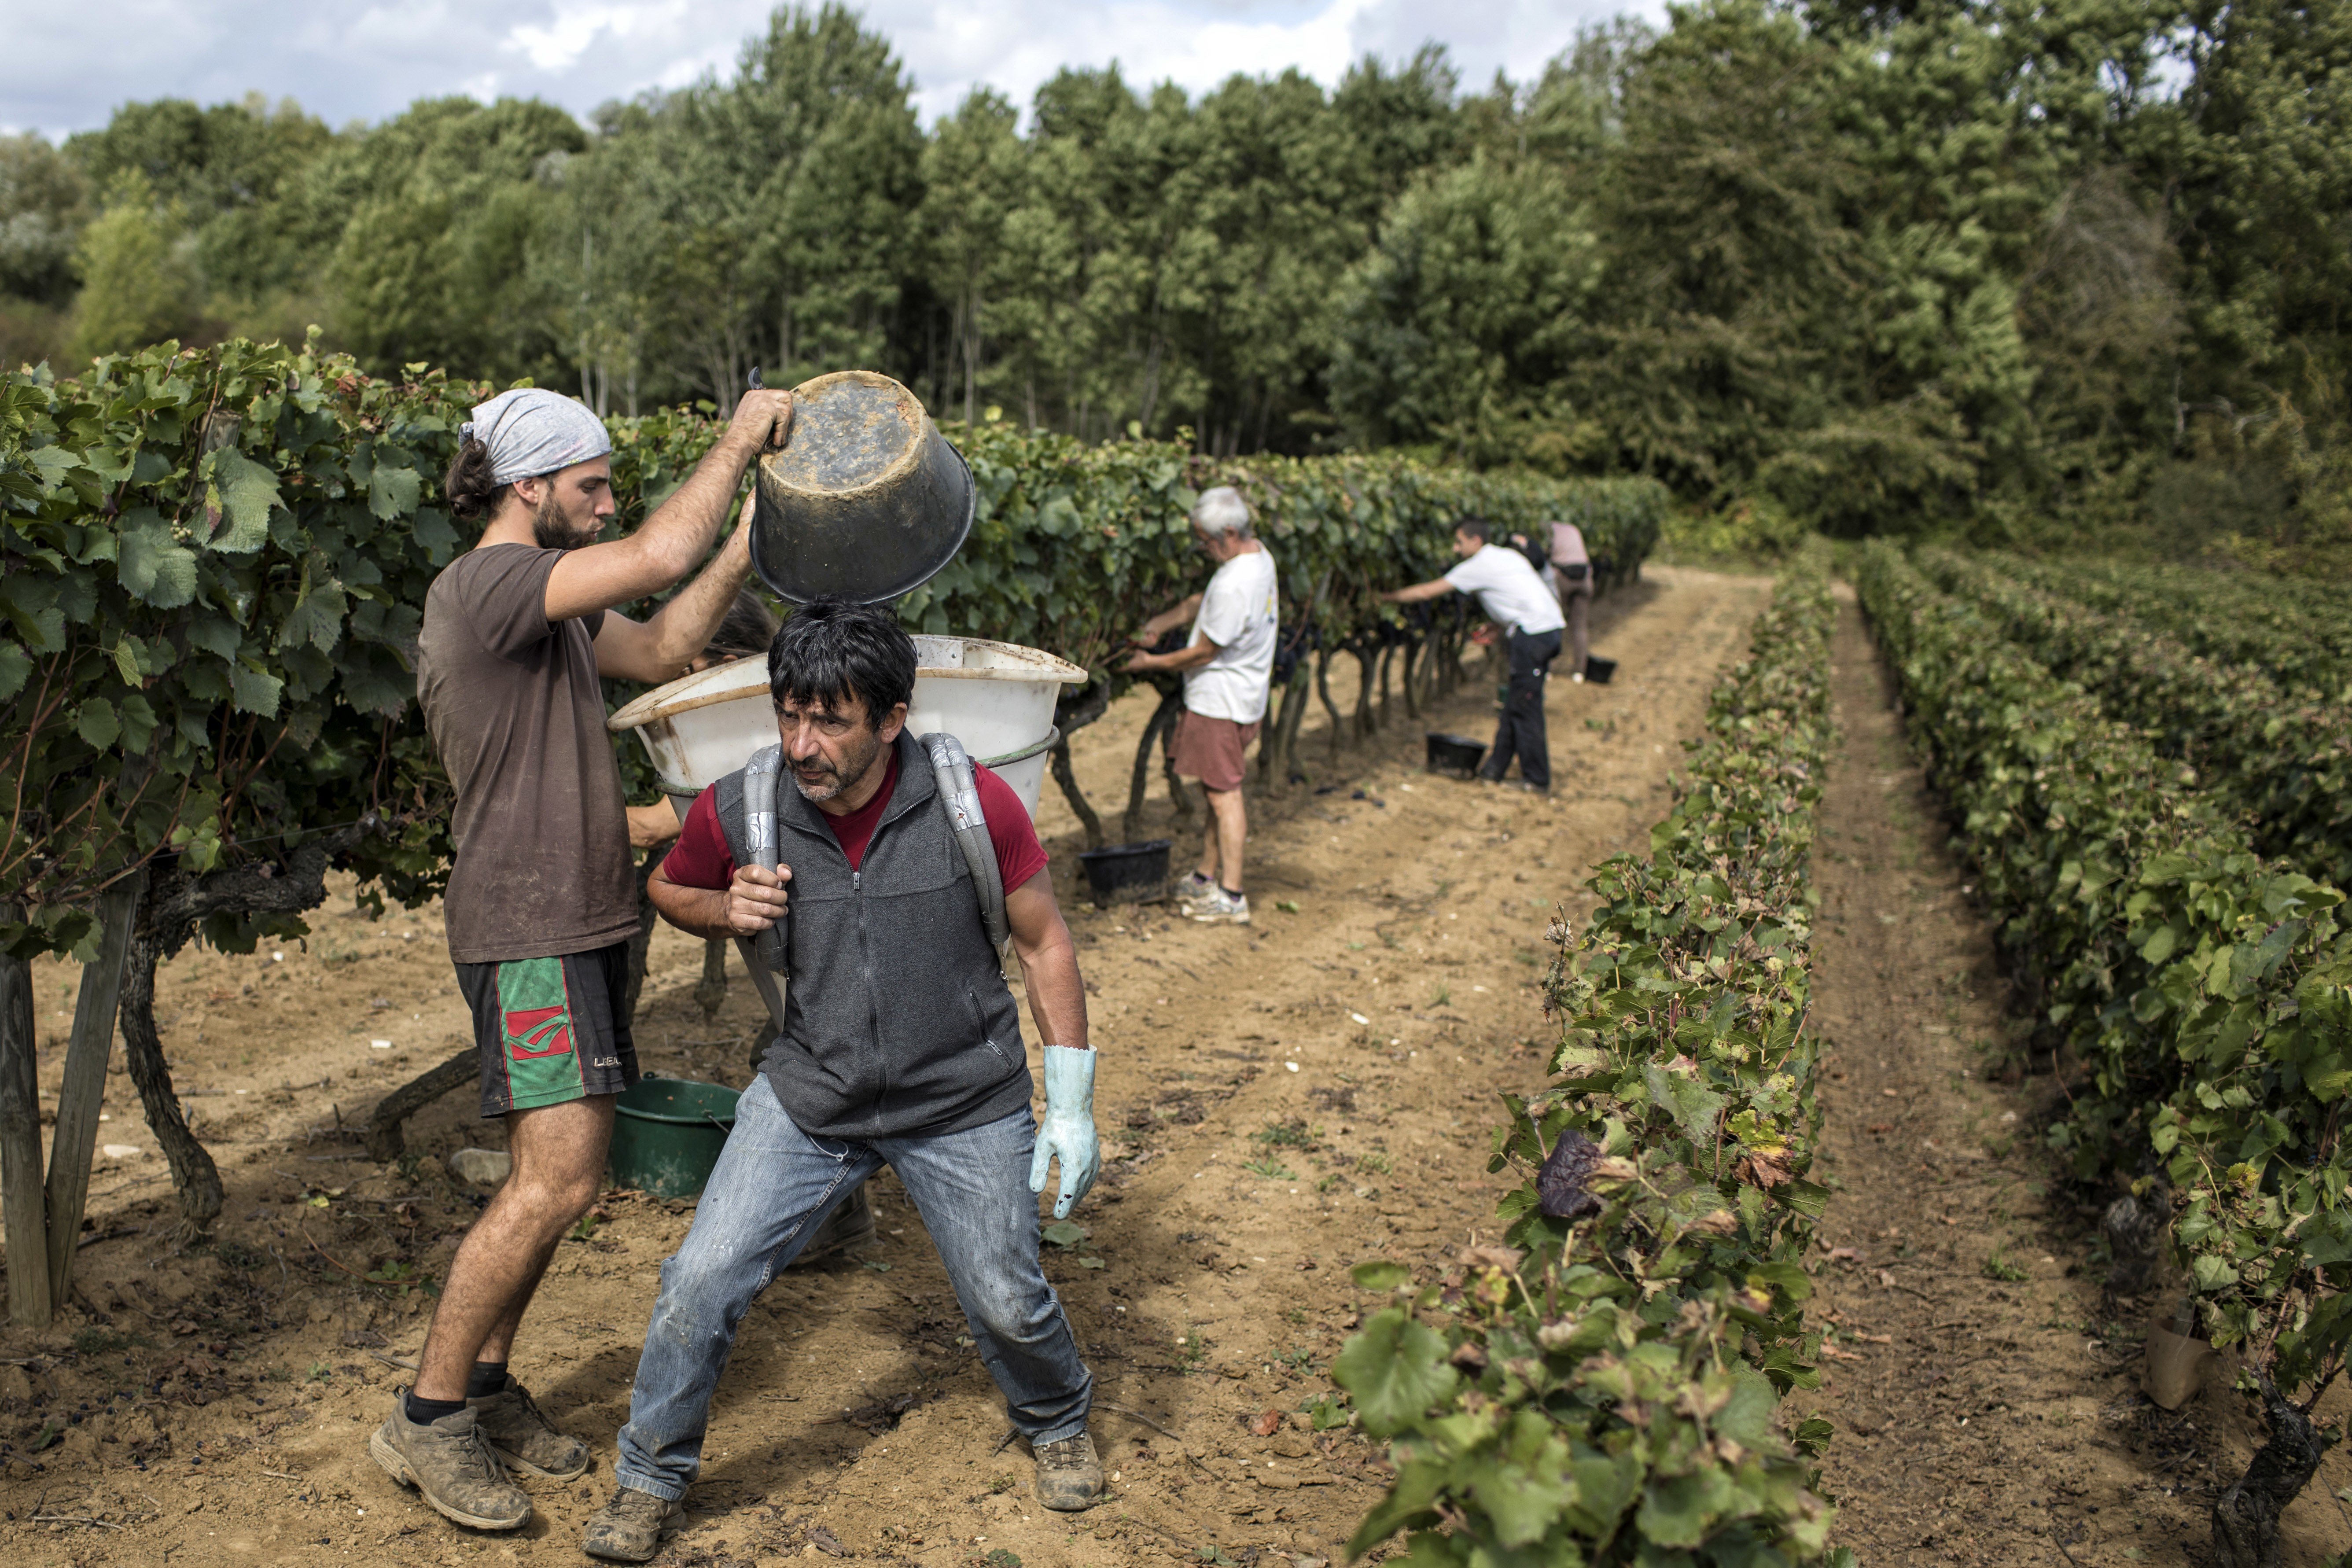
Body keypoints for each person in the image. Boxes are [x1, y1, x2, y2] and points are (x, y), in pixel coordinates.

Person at [581, 598, 1103, 1562]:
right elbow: (669, 884)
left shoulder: (970, 803)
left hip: (960, 1099)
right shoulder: (743, 801)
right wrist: (721, 904)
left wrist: (1068, 1097)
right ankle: (649, 1475)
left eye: (831, 720)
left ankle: (1056, 1412)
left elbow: (1043, 940)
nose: (802, 741)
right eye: (789, 714)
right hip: (812, 1094)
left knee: (1002, 1289)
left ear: (893, 718)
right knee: (699, 1276)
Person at [381, 384, 793, 1534]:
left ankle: (490, 1387)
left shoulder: (549, 614)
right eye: (591, 485)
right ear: (529, 486)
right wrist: (740, 435)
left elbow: (663, 642)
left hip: (586, 916)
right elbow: (660, 547)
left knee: (560, 1176)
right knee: (553, 1177)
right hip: (530, 931)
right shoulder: (491, 583)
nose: (607, 503)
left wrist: (755, 538)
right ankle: (424, 1416)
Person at [1122, 486, 1278, 925]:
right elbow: (1200, 603)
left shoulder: (1236, 582)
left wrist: (1149, 662)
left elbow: (1203, 652)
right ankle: (1207, 876)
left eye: (1208, 541)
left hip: (1220, 703)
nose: (1205, 550)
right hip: (1247, 698)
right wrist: (1161, 623)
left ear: (1229, 532)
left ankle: (1232, 895)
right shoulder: (1258, 557)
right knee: (1215, 790)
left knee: (1226, 796)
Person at [1383, 516, 1566, 792]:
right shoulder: (1505, 556)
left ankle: (1537, 780)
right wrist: (1502, 625)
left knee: (1526, 709)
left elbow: (1426, 591)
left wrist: (1384, 598)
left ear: (1475, 541)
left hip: (1534, 635)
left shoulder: (1478, 566)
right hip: (1545, 630)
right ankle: (1494, 770)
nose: (1456, 549)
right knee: (1516, 704)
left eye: (1459, 542)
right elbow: (1521, 595)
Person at [1547, 518, 1593, 681]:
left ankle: (1548, 669)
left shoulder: (1548, 529)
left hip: (1563, 578)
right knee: (1580, 626)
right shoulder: (1573, 529)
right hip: (1584, 578)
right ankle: (1579, 671)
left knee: (1553, 622)